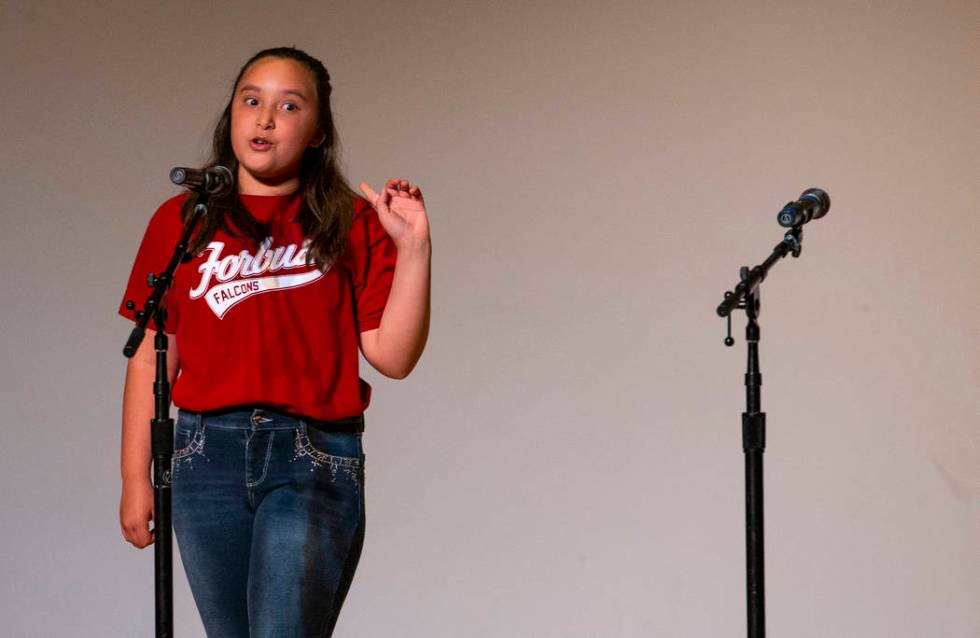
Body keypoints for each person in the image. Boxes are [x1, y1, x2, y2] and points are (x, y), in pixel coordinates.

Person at [118, 46, 431, 636]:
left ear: (317, 132)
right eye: (251, 100)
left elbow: (393, 356)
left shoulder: (352, 222)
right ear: (231, 115)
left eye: (289, 106)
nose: (265, 118)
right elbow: (152, 353)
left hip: (310, 456)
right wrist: (137, 479)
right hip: (201, 456)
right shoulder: (183, 219)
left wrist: (413, 249)